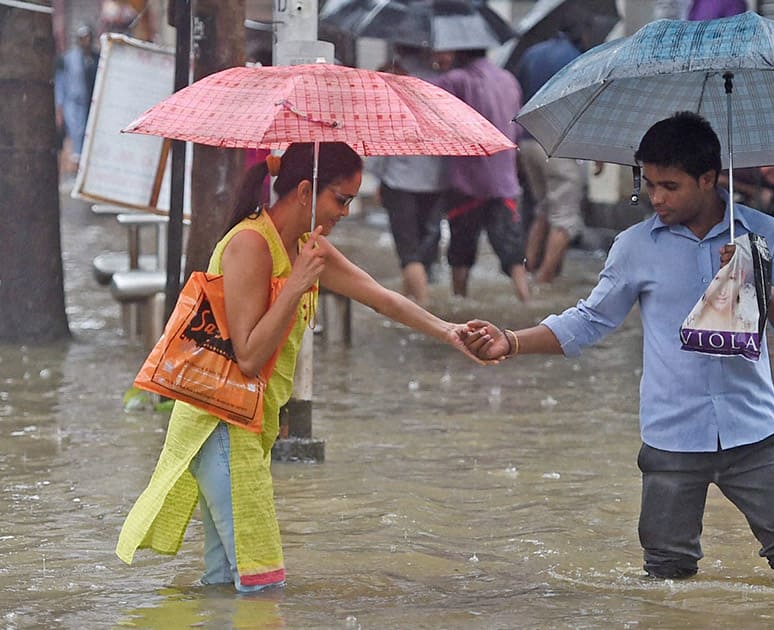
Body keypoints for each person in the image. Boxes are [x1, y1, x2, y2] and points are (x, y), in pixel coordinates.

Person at [461, 112, 774, 582]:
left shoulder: (765, 237)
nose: (656, 197)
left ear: (709, 179)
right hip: (671, 435)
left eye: (670, 186)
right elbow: (590, 320)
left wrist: (759, 281)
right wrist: (511, 342)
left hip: (753, 431)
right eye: (649, 183)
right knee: (665, 579)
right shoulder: (635, 246)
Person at [116, 142, 487, 592]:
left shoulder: (305, 248)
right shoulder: (251, 244)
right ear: (307, 190)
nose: (346, 212)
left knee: (223, 584)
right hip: (221, 430)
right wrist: (295, 285)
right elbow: (250, 357)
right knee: (262, 583)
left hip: (251, 428)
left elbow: (381, 298)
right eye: (342, 199)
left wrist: (448, 330)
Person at [431, 48, 531, 303]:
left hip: (467, 183)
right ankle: (526, 298)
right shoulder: (508, 79)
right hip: (503, 181)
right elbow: (517, 129)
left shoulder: (455, 80)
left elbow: (428, 105)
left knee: (461, 251)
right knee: (511, 249)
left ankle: (459, 300)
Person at [368, 44, 451, 306]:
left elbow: (383, 139)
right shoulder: (440, 80)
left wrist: (378, 176)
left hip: (400, 179)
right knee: (425, 246)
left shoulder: (393, 79)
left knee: (408, 251)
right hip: (436, 178)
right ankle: (408, 300)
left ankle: (422, 311)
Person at [515, 22, 590, 284]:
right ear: (582, 34)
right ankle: (544, 282)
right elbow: (587, 106)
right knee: (565, 219)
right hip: (559, 146)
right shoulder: (580, 60)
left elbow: (519, 96)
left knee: (543, 210)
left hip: (528, 143)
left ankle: (526, 272)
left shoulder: (531, 54)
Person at [54, 24, 100, 169]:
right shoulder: (69, 59)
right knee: (76, 131)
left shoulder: (96, 58)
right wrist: (59, 105)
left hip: (91, 102)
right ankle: (76, 162)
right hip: (73, 102)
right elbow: (61, 82)